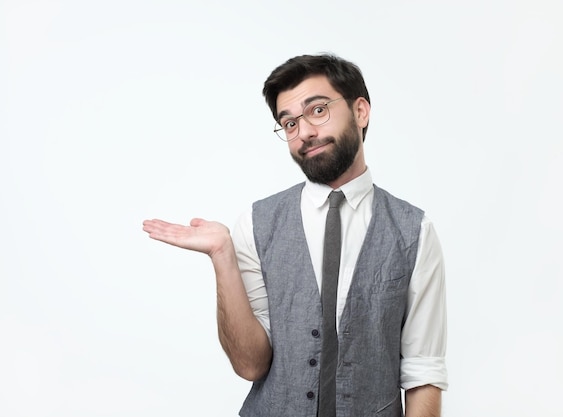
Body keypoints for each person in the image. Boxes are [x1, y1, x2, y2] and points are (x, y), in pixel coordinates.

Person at [142, 53, 448, 417]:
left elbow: (423, 372)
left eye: (317, 110)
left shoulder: (415, 231)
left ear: (361, 111)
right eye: (288, 123)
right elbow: (250, 365)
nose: (303, 132)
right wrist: (221, 255)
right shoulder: (257, 223)